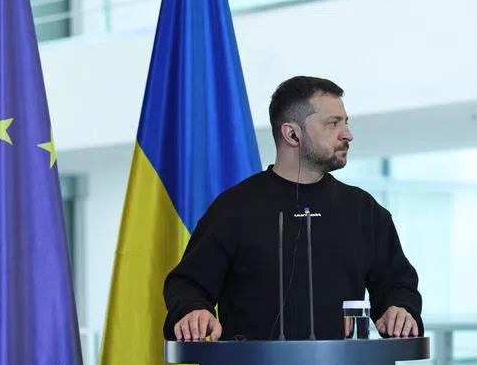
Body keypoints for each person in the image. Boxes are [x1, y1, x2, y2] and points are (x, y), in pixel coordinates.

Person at [164, 75, 423, 342]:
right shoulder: (234, 208)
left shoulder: (362, 210)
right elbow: (188, 284)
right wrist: (193, 311)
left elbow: (397, 283)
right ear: (292, 134)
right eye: (333, 123)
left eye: (346, 122)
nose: (348, 134)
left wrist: (400, 309)